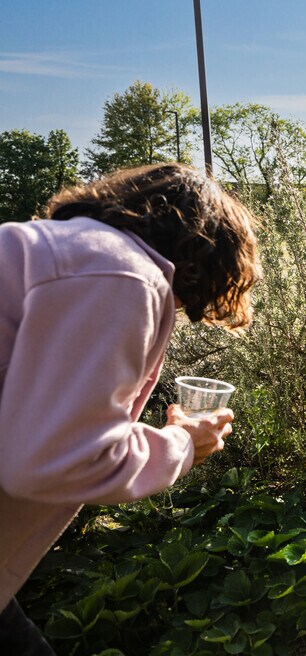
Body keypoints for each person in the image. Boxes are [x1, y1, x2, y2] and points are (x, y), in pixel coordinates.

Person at [0, 163, 261, 654]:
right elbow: (52, 460)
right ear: (207, 250)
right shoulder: (120, 273)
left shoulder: (73, 252)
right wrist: (184, 444)